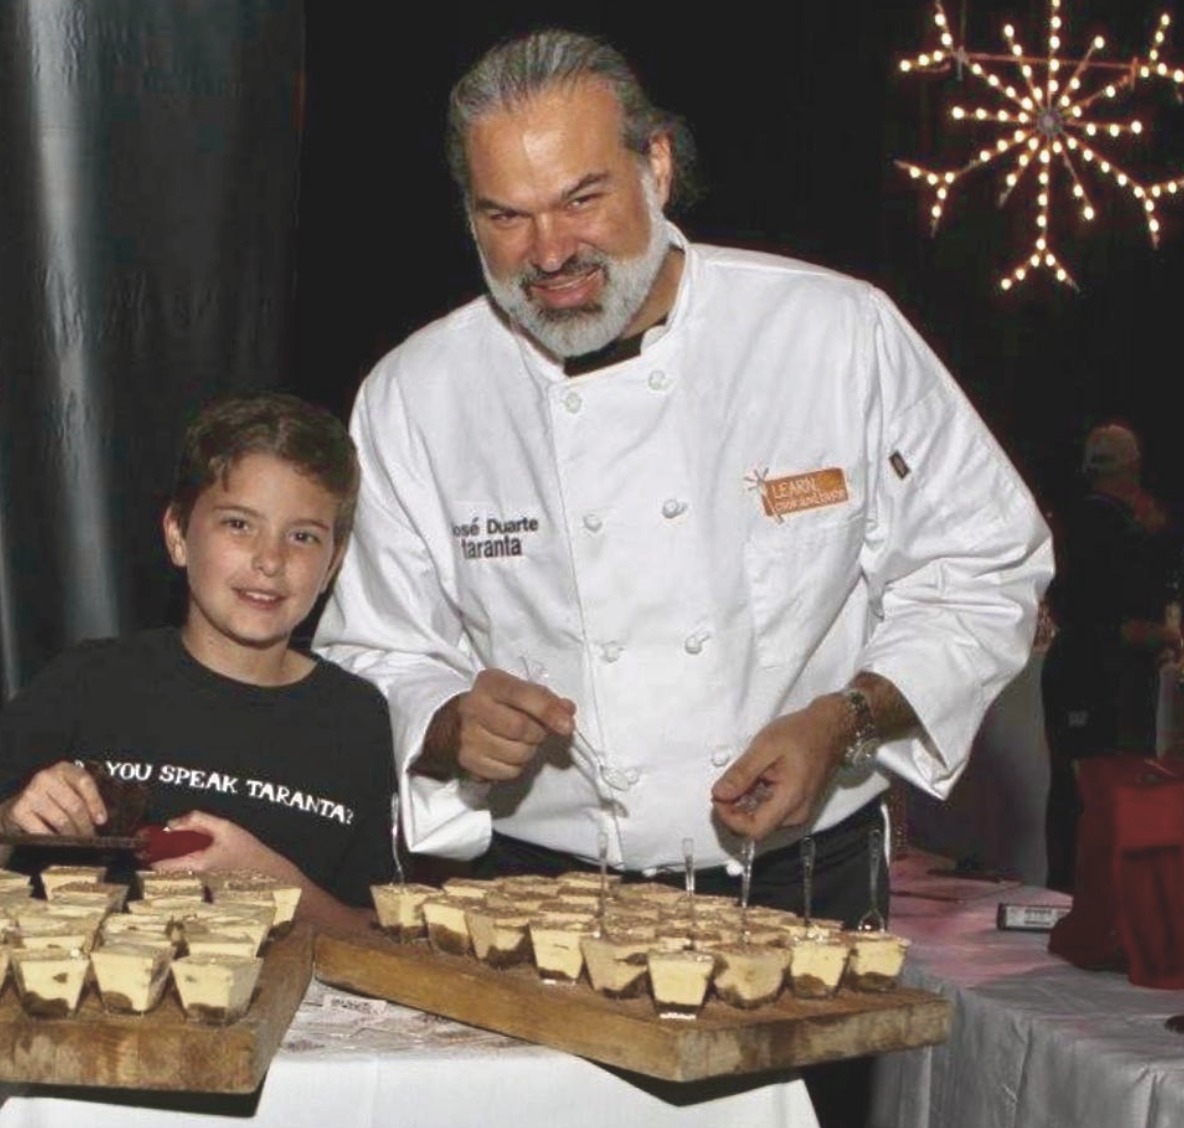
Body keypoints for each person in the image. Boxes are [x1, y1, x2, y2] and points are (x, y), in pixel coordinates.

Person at [316, 28, 1051, 920]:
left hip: (799, 886)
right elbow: (371, 651)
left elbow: (982, 571)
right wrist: (444, 721)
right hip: (530, 894)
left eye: (581, 198)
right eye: (504, 215)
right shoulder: (416, 392)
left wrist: (843, 721)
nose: (548, 253)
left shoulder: (833, 334)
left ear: (656, 168)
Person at [0, 391, 396, 931]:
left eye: (303, 536)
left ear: (334, 565)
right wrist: (12, 819)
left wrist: (272, 885)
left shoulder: (357, 718)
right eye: (239, 524)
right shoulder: (88, 682)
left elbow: (377, 938)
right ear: (178, 535)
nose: (270, 559)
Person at [1042, 422, 1182, 891]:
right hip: (1094, 675)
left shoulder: (1102, 521)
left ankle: (1089, 897)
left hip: (1094, 672)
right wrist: (1165, 633)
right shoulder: (1101, 526)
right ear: (1132, 465)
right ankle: (1085, 896)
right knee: (1095, 791)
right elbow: (1100, 616)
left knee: (1091, 790)